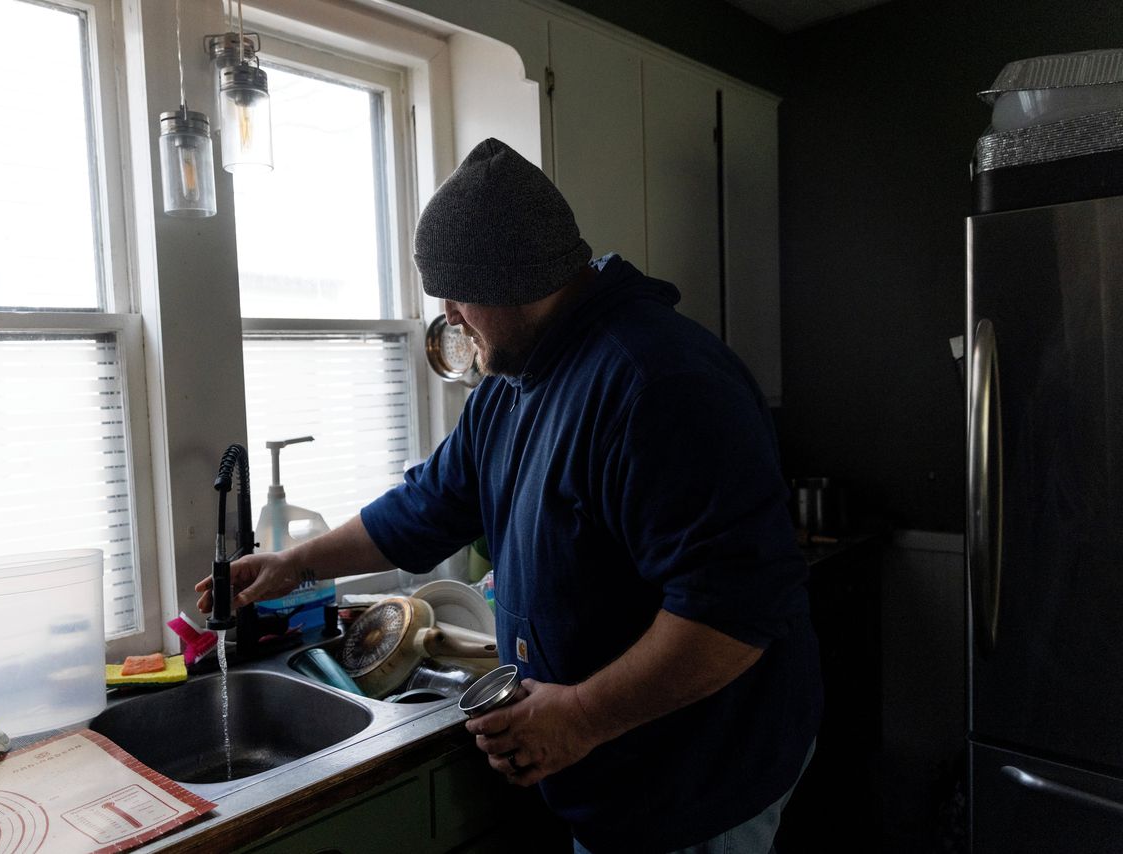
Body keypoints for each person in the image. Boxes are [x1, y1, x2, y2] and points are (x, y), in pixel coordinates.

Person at [197, 137, 822, 854]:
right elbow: (429, 506)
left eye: (457, 299)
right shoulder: (516, 382)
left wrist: (582, 714)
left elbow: (735, 613)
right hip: (616, 776)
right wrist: (296, 562)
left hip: (697, 784)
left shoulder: (657, 383)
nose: (451, 320)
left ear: (513, 281)